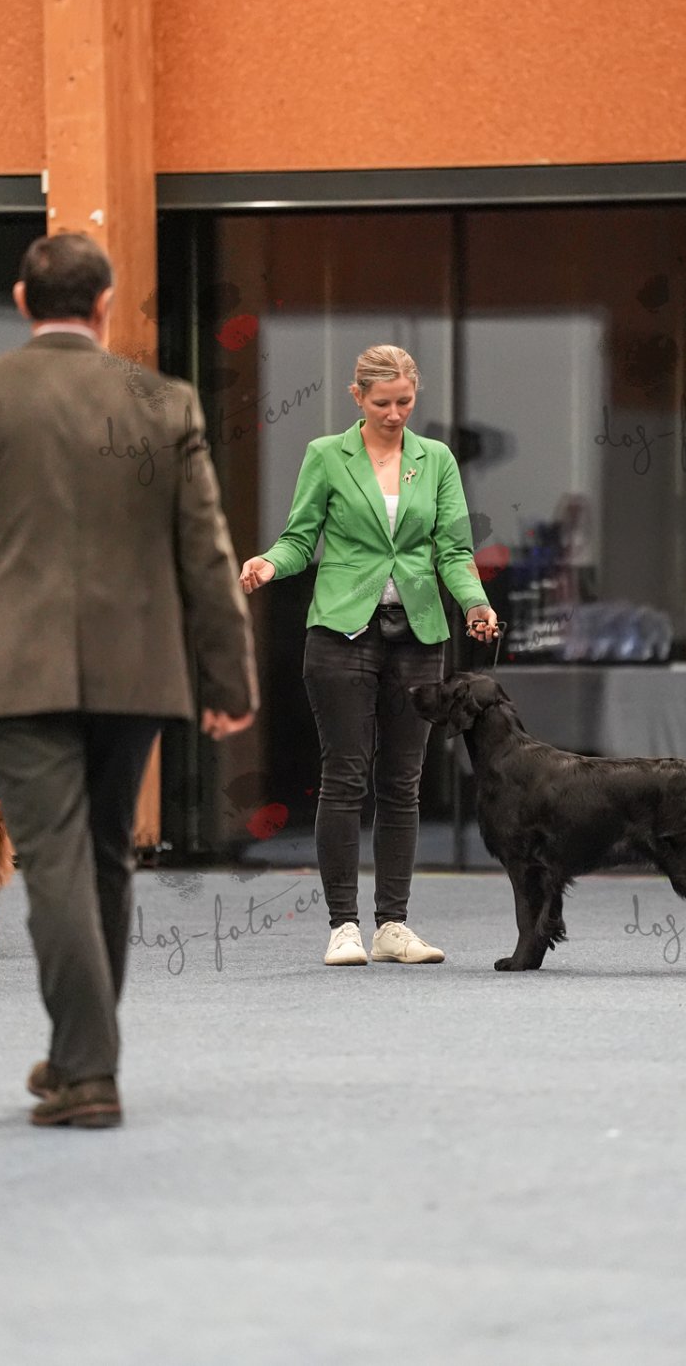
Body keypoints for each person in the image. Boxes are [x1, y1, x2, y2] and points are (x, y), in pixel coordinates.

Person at [0, 232, 258, 1128]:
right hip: (139, 670)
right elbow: (205, 552)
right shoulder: (164, 402)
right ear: (103, 305)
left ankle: (88, 1073)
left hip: (15, 669)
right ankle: (79, 1056)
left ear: (23, 301)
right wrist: (228, 676)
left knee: (54, 861)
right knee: (105, 858)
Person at [240, 344, 498, 967]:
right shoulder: (326, 455)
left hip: (418, 631)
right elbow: (301, 538)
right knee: (345, 776)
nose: (394, 413)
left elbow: (453, 549)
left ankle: (393, 925)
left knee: (404, 782)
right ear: (357, 397)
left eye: (405, 401)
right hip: (341, 631)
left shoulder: (435, 459)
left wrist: (475, 604)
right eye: (382, 402)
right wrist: (270, 563)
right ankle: (343, 926)